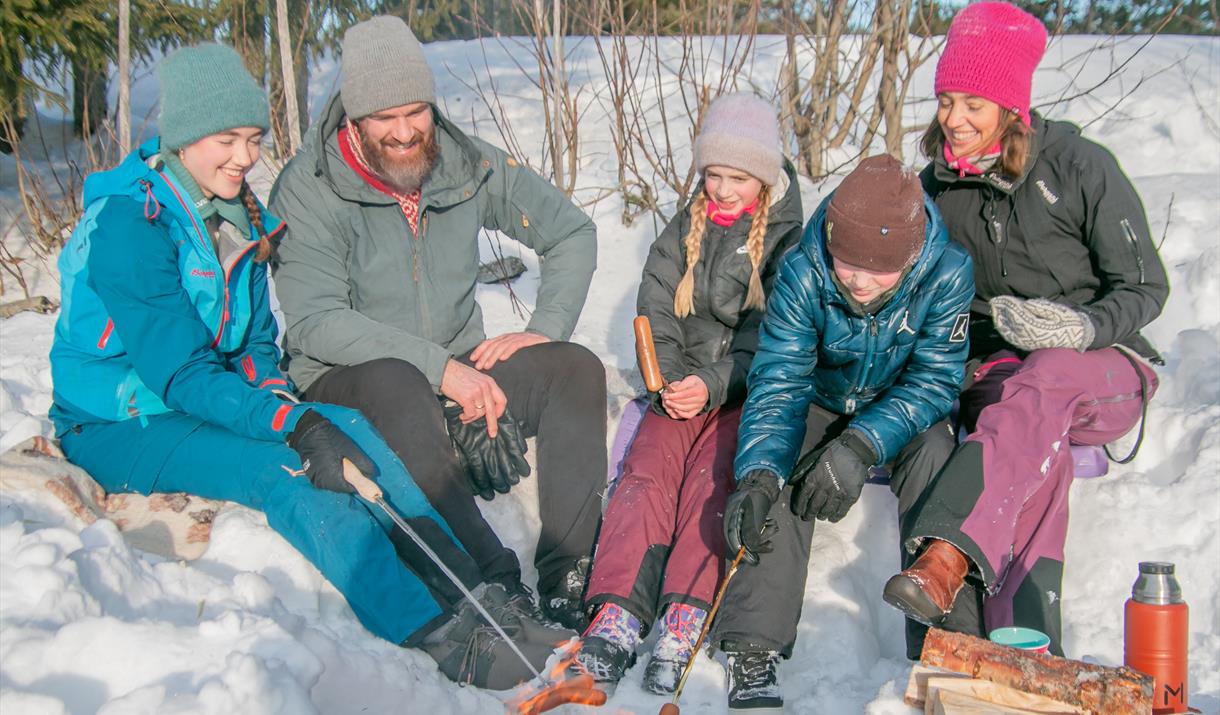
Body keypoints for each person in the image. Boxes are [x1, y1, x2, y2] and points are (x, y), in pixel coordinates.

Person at [48, 43, 563, 691]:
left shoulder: (236, 216)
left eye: (254, 138)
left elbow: (258, 347)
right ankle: (433, 628)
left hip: (199, 399)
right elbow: (177, 373)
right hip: (121, 420)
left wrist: (292, 408)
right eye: (225, 140)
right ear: (181, 140)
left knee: (352, 429)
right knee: (287, 473)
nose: (244, 157)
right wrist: (291, 423)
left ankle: (476, 588)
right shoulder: (134, 224)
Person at [269, 16, 606, 631]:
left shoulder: (465, 165)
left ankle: (569, 574)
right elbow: (316, 321)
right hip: (352, 380)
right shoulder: (310, 187)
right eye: (383, 118)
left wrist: (545, 326)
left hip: (451, 371)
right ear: (352, 118)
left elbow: (571, 231)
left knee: (574, 369)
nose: (403, 132)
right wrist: (439, 369)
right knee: (398, 379)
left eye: (415, 112)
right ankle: (490, 579)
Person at [881, 1, 1168, 659]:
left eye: (974, 106)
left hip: (1104, 366)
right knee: (1036, 433)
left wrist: (1082, 325)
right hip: (1000, 372)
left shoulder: (1078, 166)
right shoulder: (936, 188)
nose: (954, 119)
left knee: (1049, 374)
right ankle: (1025, 645)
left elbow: (1147, 287)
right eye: (947, 100)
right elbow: (930, 298)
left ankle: (945, 554)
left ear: (1012, 108)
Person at [714, 155, 975, 713]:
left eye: (875, 270)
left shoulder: (948, 272)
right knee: (777, 473)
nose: (854, 280)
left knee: (937, 456)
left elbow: (935, 380)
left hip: (903, 406)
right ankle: (752, 644)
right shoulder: (803, 269)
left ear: (908, 258)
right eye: (844, 263)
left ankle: (947, 644)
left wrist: (862, 444)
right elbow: (781, 379)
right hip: (821, 398)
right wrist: (757, 474)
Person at [571, 94, 804, 694]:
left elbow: (777, 333)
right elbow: (656, 303)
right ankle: (620, 608)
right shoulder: (688, 224)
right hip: (681, 384)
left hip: (741, 387)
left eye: (738, 177)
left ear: (766, 178)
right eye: (713, 175)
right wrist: (668, 378)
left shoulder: (786, 241)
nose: (722, 190)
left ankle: (684, 610)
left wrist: (716, 383)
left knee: (711, 482)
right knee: (647, 472)